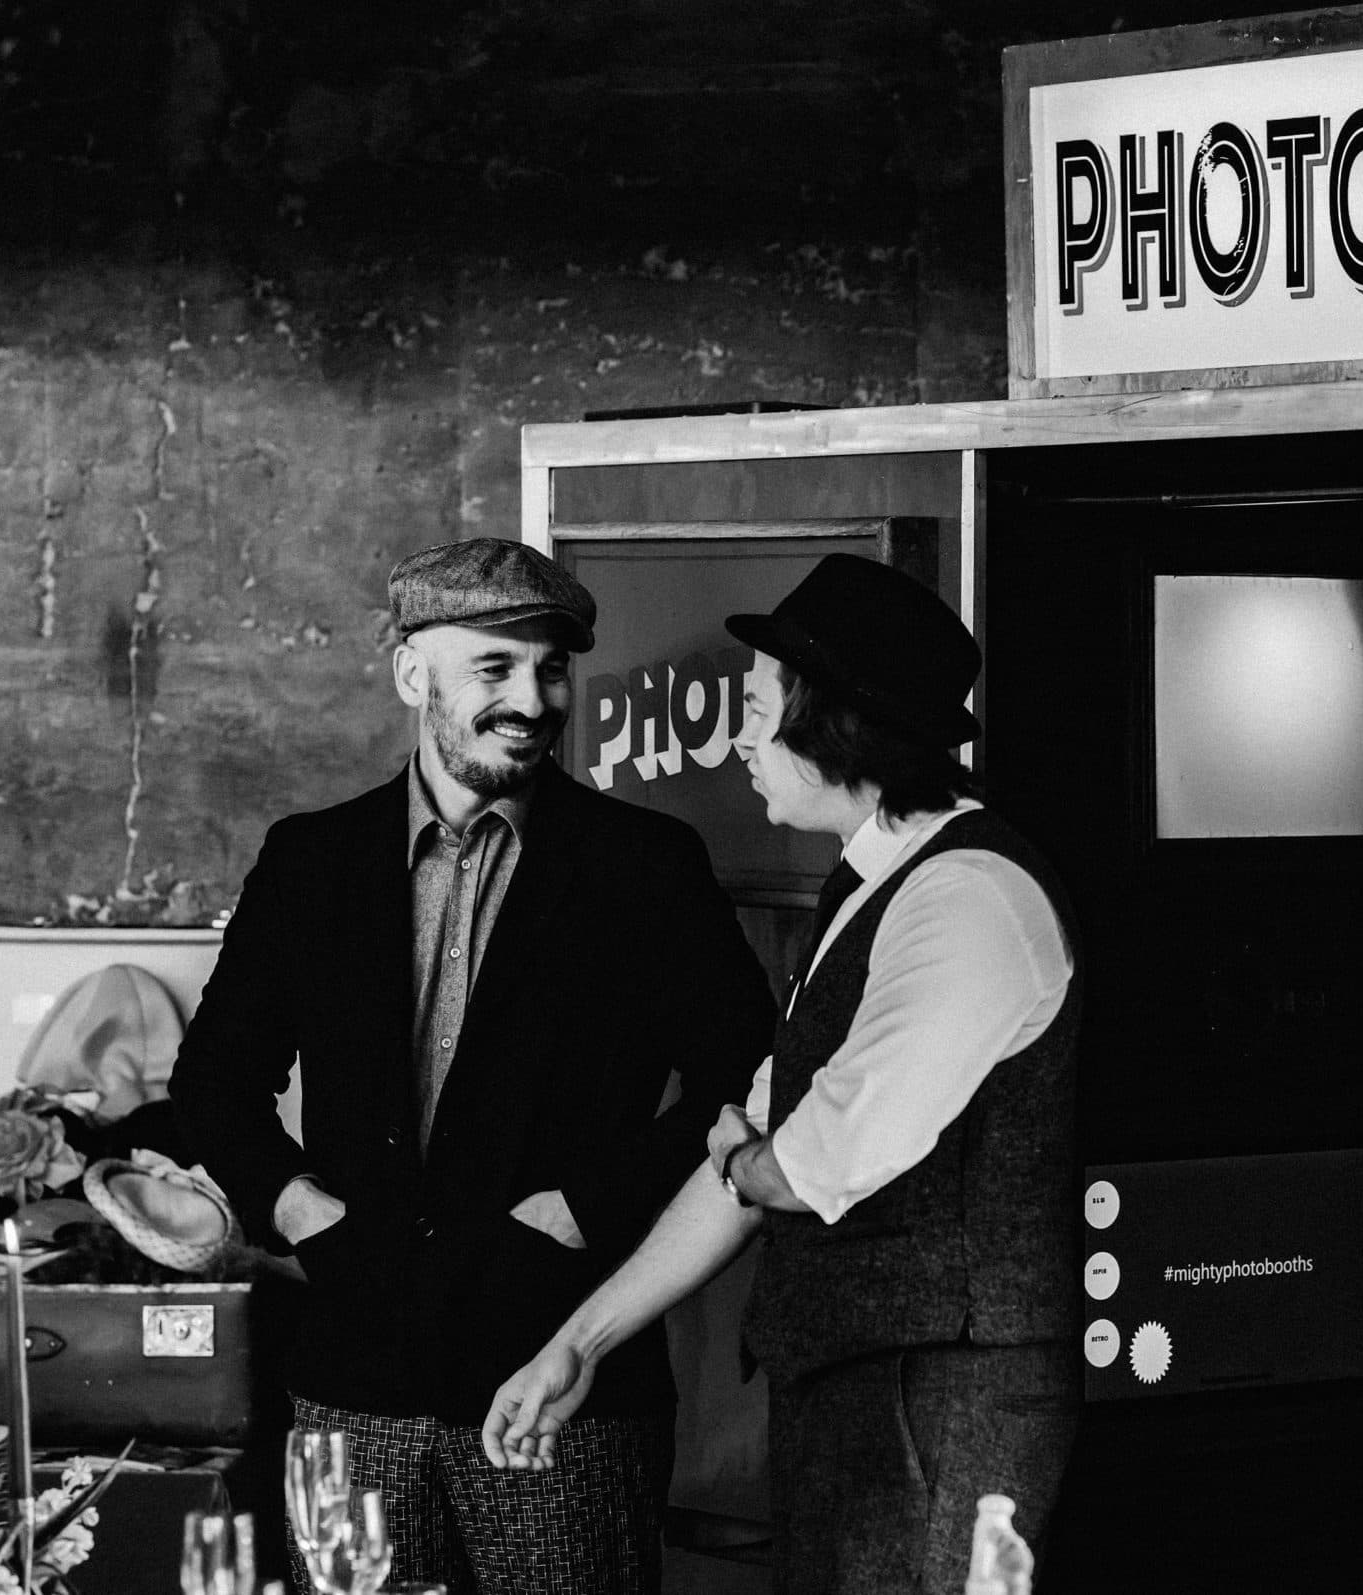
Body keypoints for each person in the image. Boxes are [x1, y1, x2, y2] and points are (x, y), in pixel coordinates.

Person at [169, 536, 775, 1595]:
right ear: (414, 674)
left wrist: (582, 1208)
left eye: (551, 669)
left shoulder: (645, 867)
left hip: (563, 1389)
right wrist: (302, 1210)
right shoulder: (309, 861)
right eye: (494, 667)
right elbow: (213, 1081)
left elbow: (748, 1082)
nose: (532, 700)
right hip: (350, 1382)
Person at [481, 553, 1083, 1595]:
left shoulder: (969, 896)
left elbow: (808, 1164)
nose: (739, 741)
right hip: (856, 1390)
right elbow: (754, 1152)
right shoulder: (869, 883)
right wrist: (578, 1344)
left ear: (831, 724)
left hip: (943, 1398)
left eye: (758, 711)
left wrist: (744, 1155)